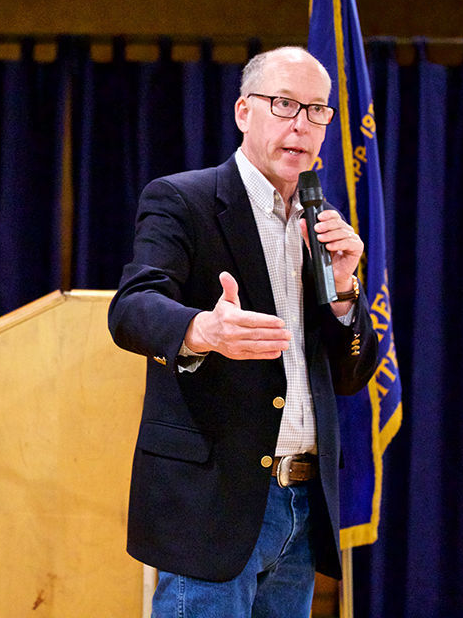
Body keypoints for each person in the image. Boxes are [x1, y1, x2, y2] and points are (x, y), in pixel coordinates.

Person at [108, 46, 379, 617]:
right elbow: (131, 307)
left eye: (317, 111)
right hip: (214, 505)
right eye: (284, 104)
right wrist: (203, 329)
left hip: (301, 502)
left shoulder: (320, 220)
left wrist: (346, 289)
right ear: (243, 112)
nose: (301, 125)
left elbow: (352, 376)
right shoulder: (185, 200)